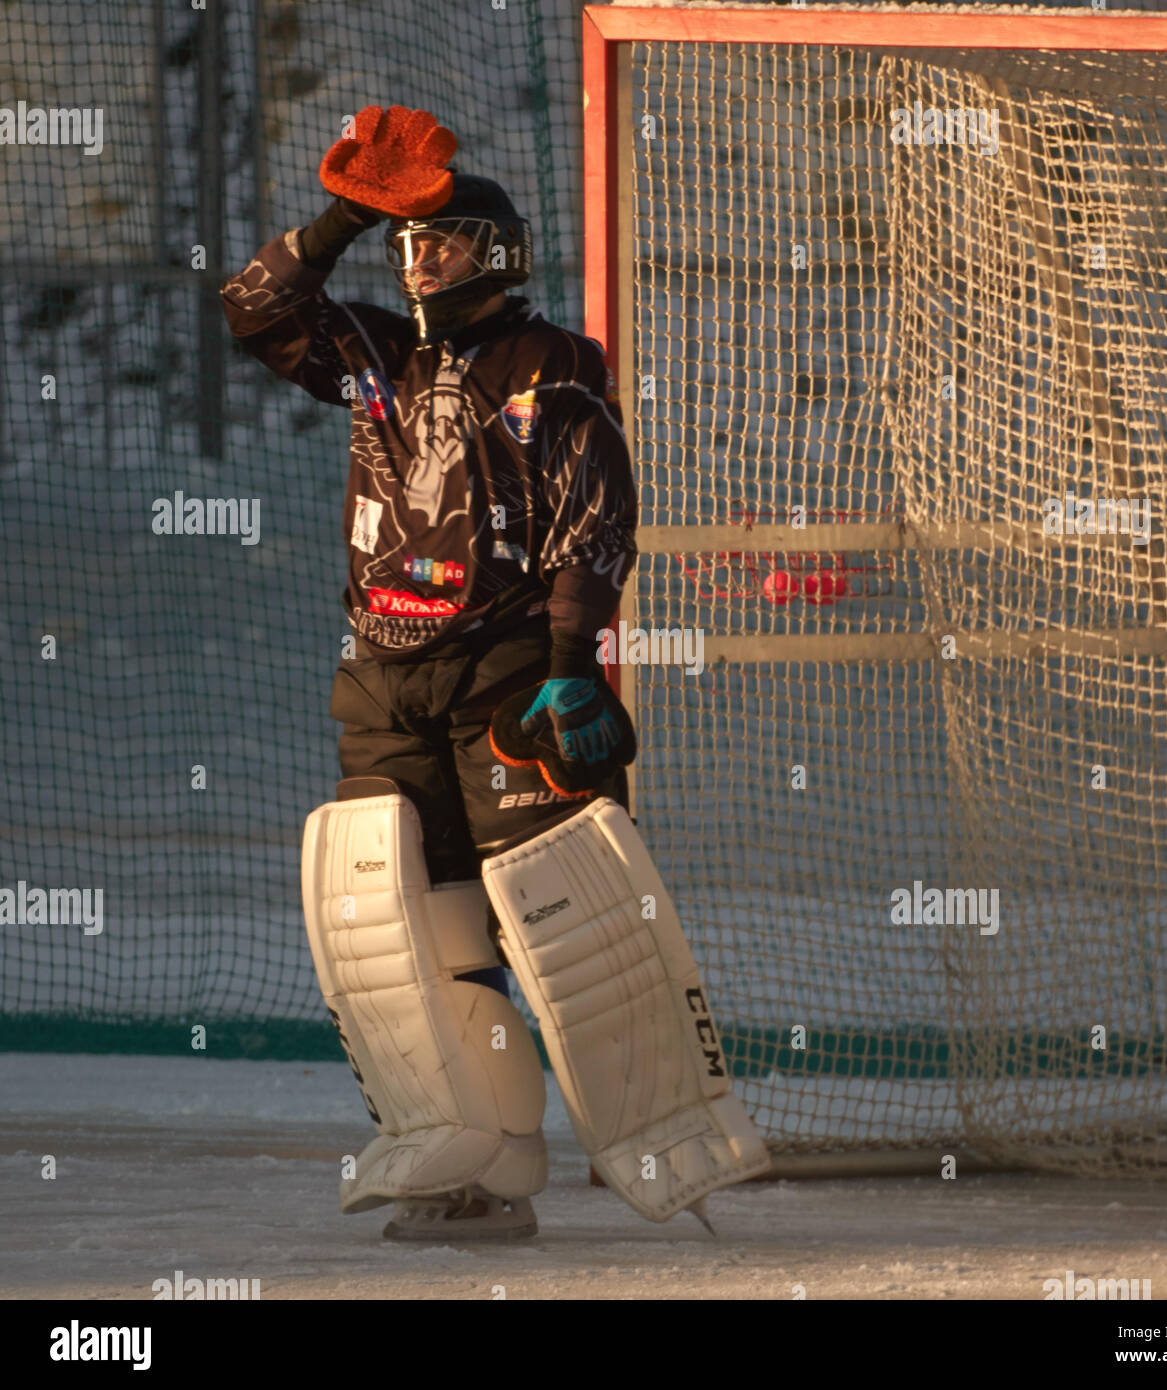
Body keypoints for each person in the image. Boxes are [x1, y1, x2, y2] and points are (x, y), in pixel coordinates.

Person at [221, 108, 766, 1242]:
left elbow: (592, 522)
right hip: (381, 673)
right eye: (408, 247)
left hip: (510, 671)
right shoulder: (374, 354)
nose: (419, 263)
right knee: (410, 925)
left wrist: (575, 663)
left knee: (559, 918)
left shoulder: (553, 363)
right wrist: (343, 218)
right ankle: (478, 1168)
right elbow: (252, 307)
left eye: (443, 243)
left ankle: (664, 1135)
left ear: (499, 253)